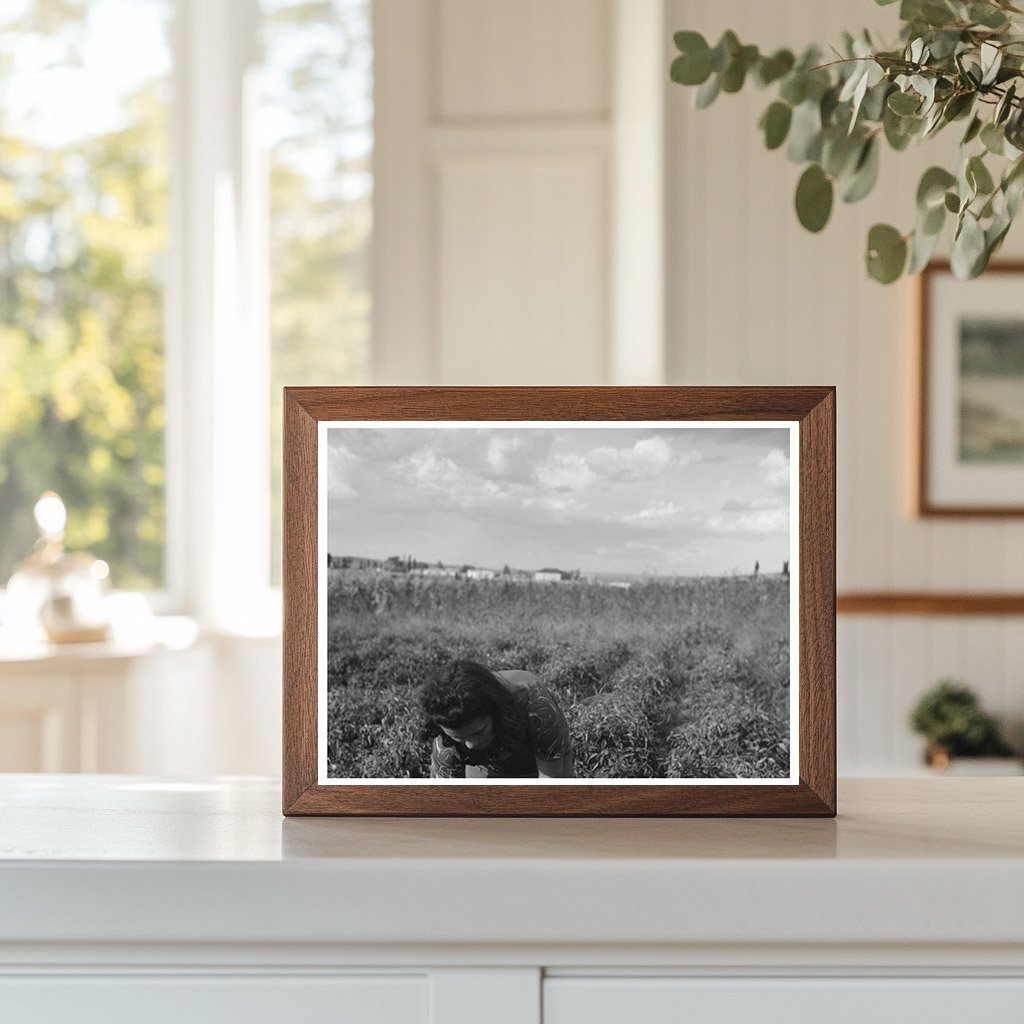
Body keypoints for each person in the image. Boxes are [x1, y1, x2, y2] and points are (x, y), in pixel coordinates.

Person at [420, 660, 573, 779]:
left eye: (478, 732)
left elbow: (549, 782)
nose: (471, 745)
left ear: (495, 711)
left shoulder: (535, 705)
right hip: (486, 764)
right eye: (460, 738)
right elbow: (446, 796)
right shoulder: (445, 737)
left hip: (540, 758)